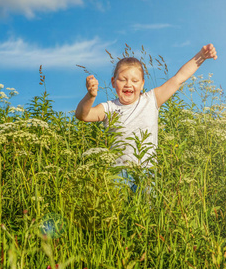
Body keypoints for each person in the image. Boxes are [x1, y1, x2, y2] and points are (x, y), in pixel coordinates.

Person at [75, 44, 218, 190]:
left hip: (146, 172)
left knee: (146, 210)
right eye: (122, 79)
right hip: (117, 174)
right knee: (119, 212)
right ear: (113, 82)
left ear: (142, 84)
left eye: (135, 81)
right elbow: (82, 115)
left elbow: (178, 79)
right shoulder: (109, 108)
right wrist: (90, 96)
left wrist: (201, 56)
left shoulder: (151, 100)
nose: (128, 84)